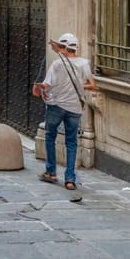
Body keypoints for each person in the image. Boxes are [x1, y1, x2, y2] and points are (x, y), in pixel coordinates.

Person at [33, 33, 96, 191]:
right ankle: (70, 180)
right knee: (71, 142)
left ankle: (51, 172)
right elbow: (92, 85)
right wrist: (79, 85)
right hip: (75, 108)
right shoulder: (84, 63)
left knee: (50, 137)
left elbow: (46, 85)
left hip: (56, 106)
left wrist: (38, 86)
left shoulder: (57, 64)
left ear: (64, 47)